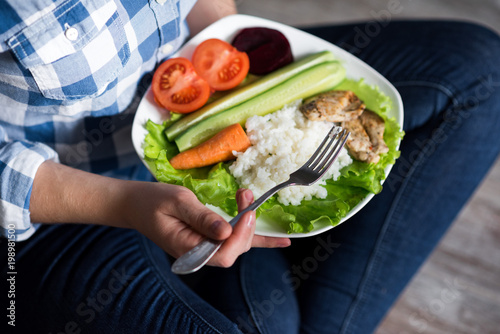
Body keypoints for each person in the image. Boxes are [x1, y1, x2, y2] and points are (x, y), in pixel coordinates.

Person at [1, 0, 499, 333]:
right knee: (272, 324)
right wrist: (127, 204)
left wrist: (229, 71)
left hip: (204, 89)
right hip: (61, 204)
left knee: (482, 71)